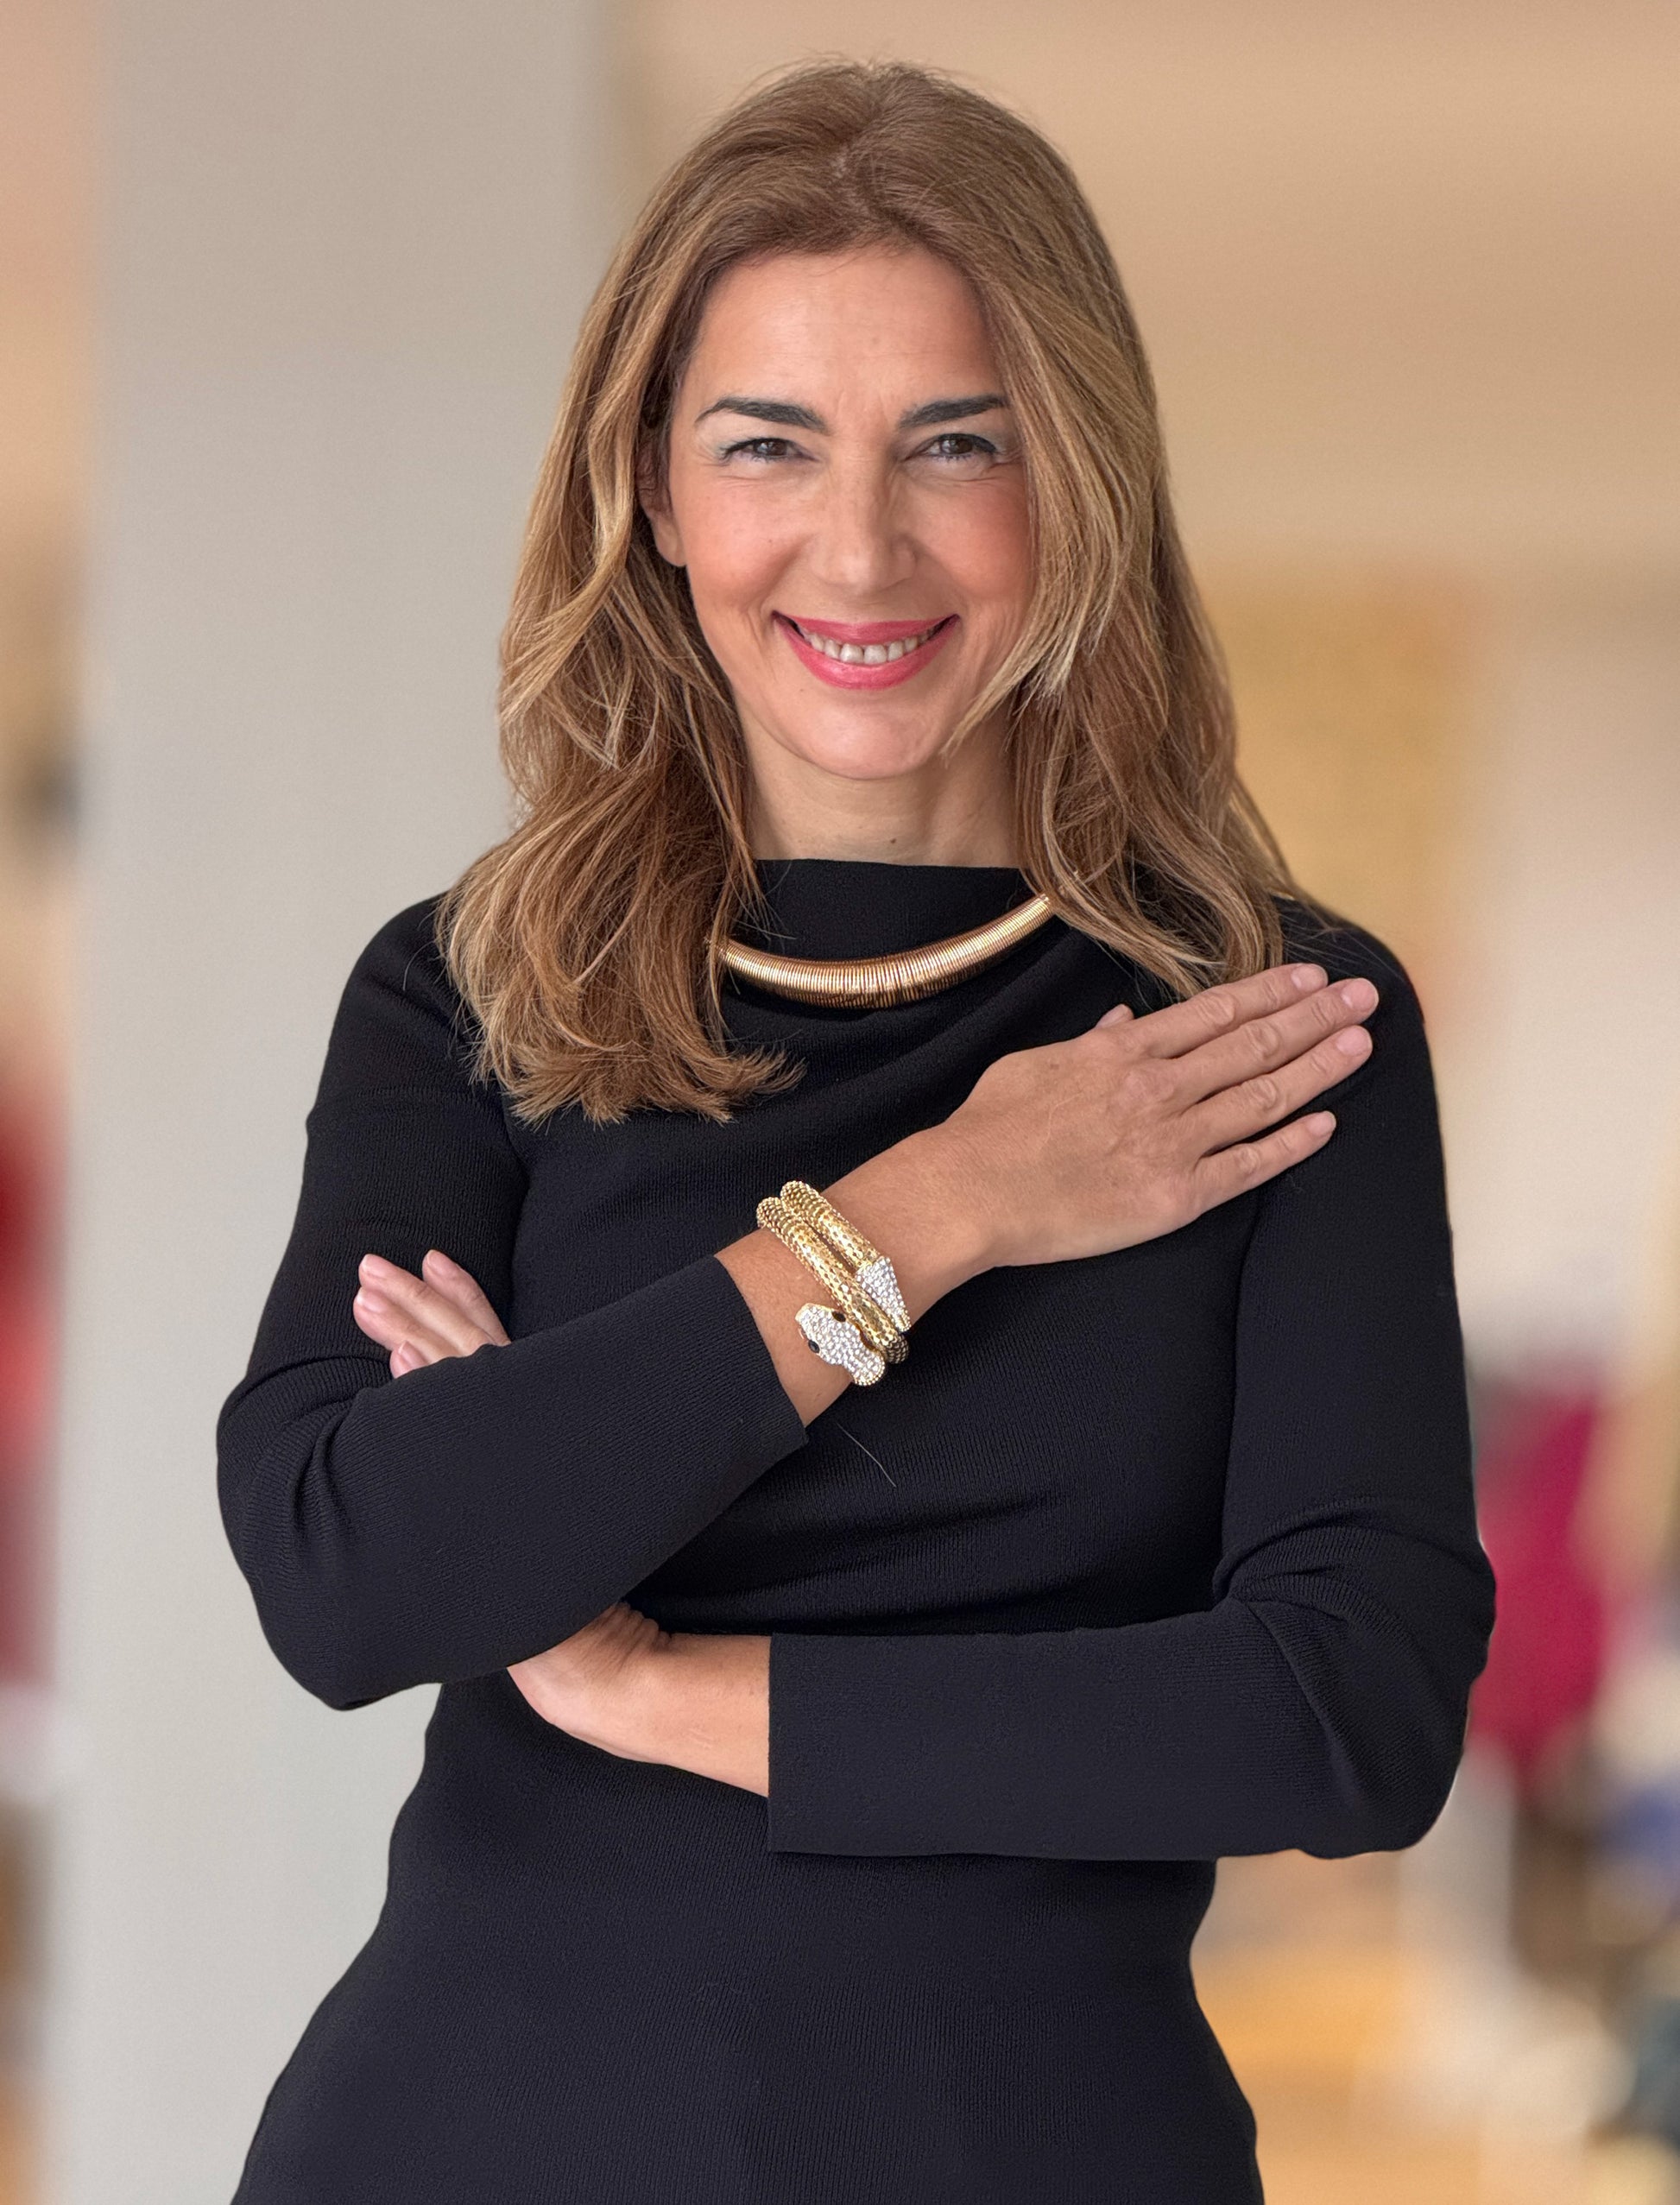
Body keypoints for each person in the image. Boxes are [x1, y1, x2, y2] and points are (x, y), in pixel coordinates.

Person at [217, 60, 1494, 2204]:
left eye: (956, 442)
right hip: (473, 2141)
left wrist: (659, 1686)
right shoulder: (481, 990)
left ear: (1074, 481)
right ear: (653, 488)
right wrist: (942, 1205)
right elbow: (356, 1568)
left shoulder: (1263, 1030)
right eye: (767, 443)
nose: (860, 542)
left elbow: (1343, 1714)